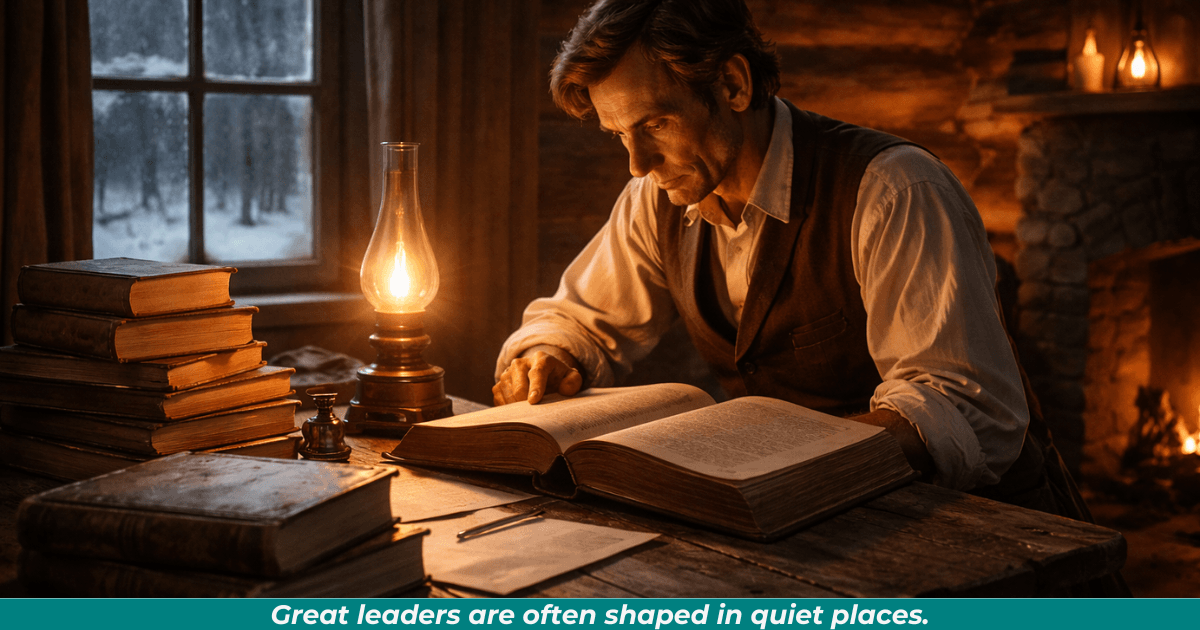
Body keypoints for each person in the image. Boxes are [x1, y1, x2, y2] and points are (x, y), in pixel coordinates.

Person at [492, 2, 1119, 584]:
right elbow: (578, 317)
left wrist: (788, 463)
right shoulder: (658, 199)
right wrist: (552, 353)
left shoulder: (894, 188)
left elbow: (960, 407)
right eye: (617, 134)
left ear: (733, 85)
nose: (637, 162)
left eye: (656, 121)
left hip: (987, 542)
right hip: (813, 534)